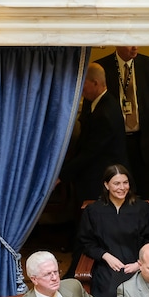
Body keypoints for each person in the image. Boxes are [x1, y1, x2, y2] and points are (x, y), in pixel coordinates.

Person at [76, 164, 149, 297]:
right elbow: (86, 242)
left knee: (133, 290)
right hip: (108, 264)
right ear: (106, 185)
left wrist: (140, 263)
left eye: (125, 183)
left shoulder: (142, 208)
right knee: (110, 293)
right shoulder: (94, 211)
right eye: (116, 183)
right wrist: (105, 255)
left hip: (138, 264)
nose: (122, 188)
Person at [96, 46, 149, 198]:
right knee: (118, 192)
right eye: (130, 42)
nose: (135, 46)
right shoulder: (102, 67)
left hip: (144, 143)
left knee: (145, 193)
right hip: (114, 143)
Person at [59, 62, 129, 206]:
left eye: (83, 84)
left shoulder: (105, 113)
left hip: (99, 180)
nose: (80, 89)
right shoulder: (102, 103)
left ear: (95, 83)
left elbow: (90, 152)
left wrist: (62, 175)